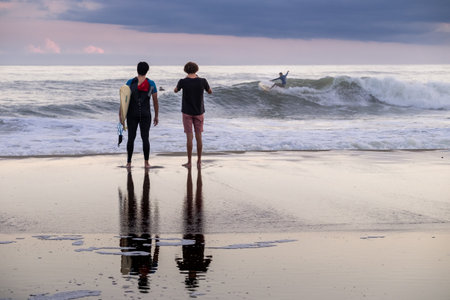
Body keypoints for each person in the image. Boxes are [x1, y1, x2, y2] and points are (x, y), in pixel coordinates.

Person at [174, 62, 212, 169]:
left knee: (189, 137)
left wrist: (181, 84)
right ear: (196, 69)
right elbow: (210, 92)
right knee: (199, 136)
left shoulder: (183, 81)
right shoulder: (202, 81)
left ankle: (189, 162)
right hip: (199, 112)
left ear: (186, 70)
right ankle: (199, 161)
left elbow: (176, 90)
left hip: (187, 112)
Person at [123, 61, 159, 169]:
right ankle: (146, 163)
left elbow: (124, 100)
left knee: (131, 138)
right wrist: (156, 115)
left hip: (132, 114)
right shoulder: (151, 84)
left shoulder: (130, 82)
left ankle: (129, 163)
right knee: (145, 138)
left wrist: (121, 115)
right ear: (147, 71)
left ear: (137, 69)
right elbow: (155, 101)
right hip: (145, 114)